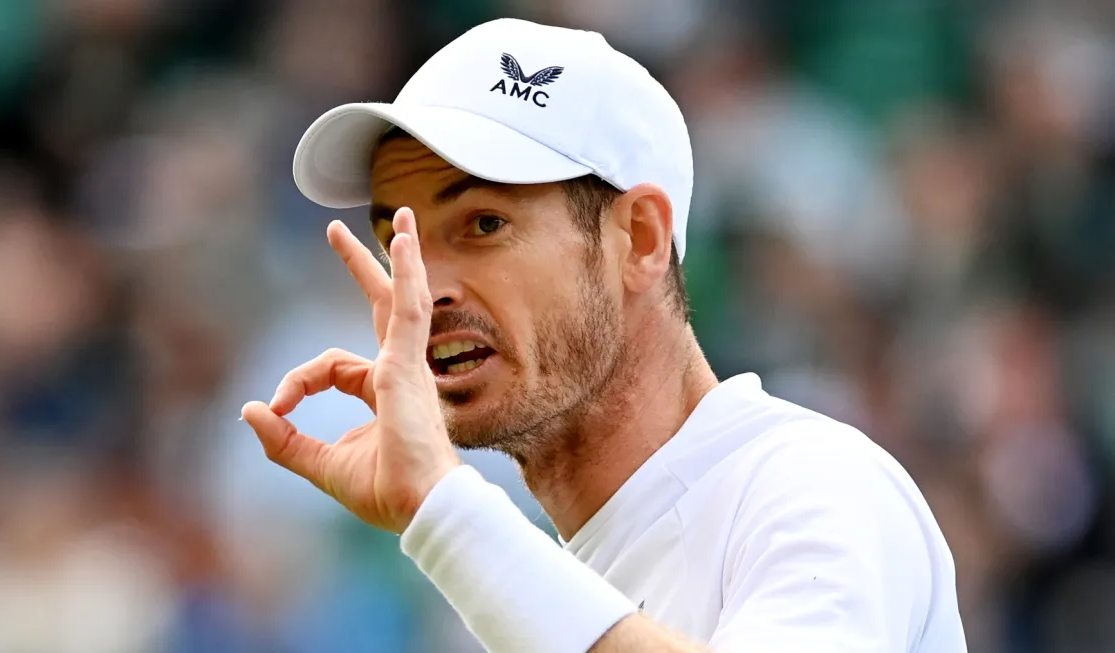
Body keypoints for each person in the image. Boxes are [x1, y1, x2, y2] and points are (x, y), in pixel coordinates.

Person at [242, 18, 967, 652]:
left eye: (484, 224)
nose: (426, 290)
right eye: (397, 240)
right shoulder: (531, 589)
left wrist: (444, 512)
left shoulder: (812, 483)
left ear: (641, 239)